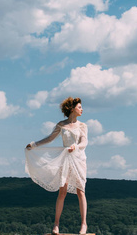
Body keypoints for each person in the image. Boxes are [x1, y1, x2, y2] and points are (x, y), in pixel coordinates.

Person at [25, 97, 88, 235]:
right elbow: (49, 138)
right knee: (62, 191)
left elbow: (84, 142)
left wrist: (76, 146)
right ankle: (56, 224)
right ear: (72, 109)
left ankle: (84, 224)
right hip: (65, 159)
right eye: (79, 107)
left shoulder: (83, 126)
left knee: (80, 190)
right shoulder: (61, 125)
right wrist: (34, 144)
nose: (82, 109)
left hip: (78, 159)